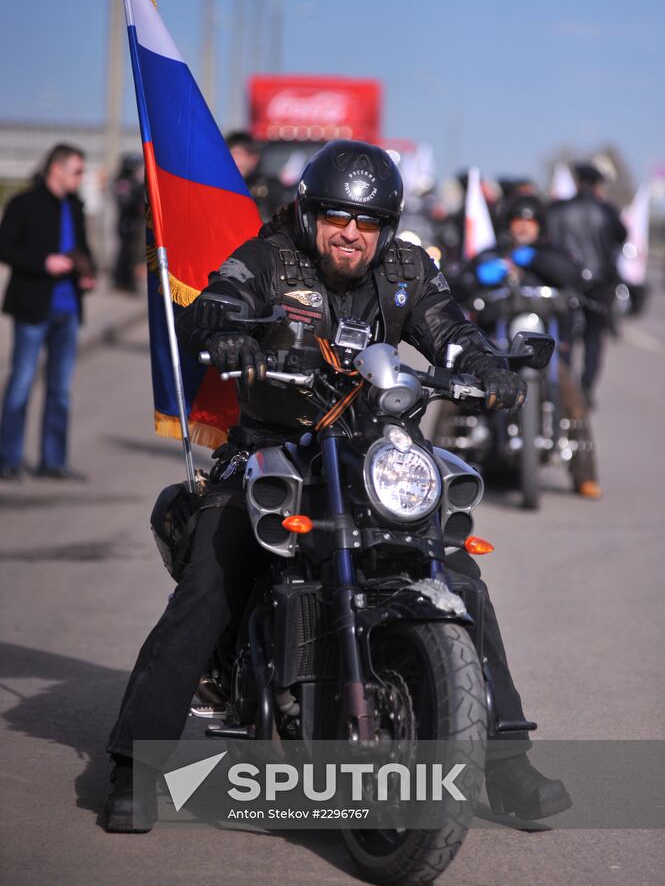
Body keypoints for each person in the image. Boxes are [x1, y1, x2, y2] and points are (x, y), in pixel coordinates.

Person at [104, 141, 571, 831]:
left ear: (385, 226)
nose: (351, 233)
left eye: (367, 221)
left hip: (365, 453)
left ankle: (505, 763)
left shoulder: (406, 268)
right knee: (210, 584)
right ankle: (134, 768)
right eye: (337, 218)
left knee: (458, 573)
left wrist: (487, 367)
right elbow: (217, 300)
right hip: (272, 450)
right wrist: (229, 331)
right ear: (310, 213)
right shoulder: (270, 258)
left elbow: (450, 331)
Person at [450, 195, 602, 498]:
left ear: (539, 225)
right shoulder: (492, 253)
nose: (522, 225)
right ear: (508, 224)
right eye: (517, 219)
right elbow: (460, 283)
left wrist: (533, 259)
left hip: (543, 346)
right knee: (453, 392)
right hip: (496, 344)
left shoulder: (551, 253)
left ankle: (584, 474)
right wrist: (479, 275)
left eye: (529, 220)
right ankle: (441, 464)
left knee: (571, 393)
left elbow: (574, 276)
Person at [0, 143, 96, 480]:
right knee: (21, 384)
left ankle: (52, 461)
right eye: (77, 171)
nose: (81, 178)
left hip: (68, 310)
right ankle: (7, 459)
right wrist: (43, 263)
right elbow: (5, 247)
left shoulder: (75, 206)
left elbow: (83, 247)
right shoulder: (25, 203)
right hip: (32, 307)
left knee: (59, 390)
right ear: (56, 168)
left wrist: (87, 273)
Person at [546, 163, 626, 407]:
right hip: (600, 283)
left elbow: (549, 238)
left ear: (578, 182)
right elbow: (622, 237)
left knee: (565, 336)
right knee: (593, 338)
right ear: (597, 185)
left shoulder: (559, 209)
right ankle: (587, 387)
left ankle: (566, 386)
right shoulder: (607, 210)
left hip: (567, 280)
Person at [226, 130, 285, 222]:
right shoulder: (219, 187)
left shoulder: (271, 187)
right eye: (229, 154)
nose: (233, 160)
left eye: (238, 154)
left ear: (254, 158)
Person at [112, 154, 145, 293]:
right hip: (126, 222)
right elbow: (126, 202)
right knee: (125, 252)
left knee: (132, 253)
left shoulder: (131, 182)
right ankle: (122, 281)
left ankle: (128, 281)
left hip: (133, 221)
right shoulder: (124, 182)